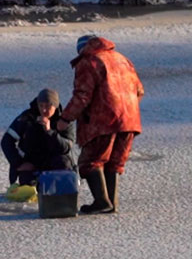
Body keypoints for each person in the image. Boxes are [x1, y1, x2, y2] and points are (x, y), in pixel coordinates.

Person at [56, 35, 144, 214]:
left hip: (102, 121)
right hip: (129, 120)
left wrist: (65, 119)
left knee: (90, 162)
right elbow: (139, 90)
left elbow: (82, 95)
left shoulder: (88, 62)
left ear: (83, 48)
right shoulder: (122, 59)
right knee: (114, 162)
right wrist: (125, 109)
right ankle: (111, 203)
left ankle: (102, 202)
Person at [1, 88, 77, 186]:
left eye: (48, 106)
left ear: (55, 106)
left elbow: (66, 148)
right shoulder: (28, 117)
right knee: (26, 182)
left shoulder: (64, 120)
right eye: (41, 106)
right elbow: (6, 141)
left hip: (55, 162)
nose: (44, 110)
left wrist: (50, 132)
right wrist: (19, 163)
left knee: (63, 165)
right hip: (32, 162)